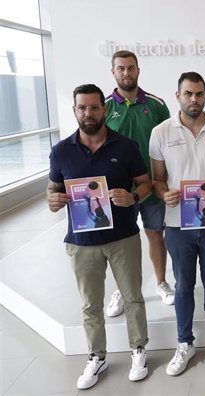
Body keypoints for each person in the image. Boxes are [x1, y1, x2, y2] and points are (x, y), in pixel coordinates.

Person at [47, 84, 150, 390]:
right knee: (91, 305)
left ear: (105, 109)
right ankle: (97, 355)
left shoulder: (126, 146)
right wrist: (52, 201)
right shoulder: (61, 151)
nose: (88, 113)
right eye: (82, 108)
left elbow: (144, 184)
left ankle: (138, 349)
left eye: (94, 107)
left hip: (123, 237)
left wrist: (132, 197)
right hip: (81, 242)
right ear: (75, 110)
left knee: (132, 297)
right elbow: (53, 189)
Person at [149, 72, 205, 376]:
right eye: (188, 94)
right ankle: (184, 343)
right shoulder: (161, 133)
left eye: (199, 94)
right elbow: (158, 180)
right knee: (184, 285)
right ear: (178, 96)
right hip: (177, 226)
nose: (194, 100)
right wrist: (165, 194)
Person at [105, 50, 173, 317]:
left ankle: (161, 283)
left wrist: (165, 181)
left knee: (155, 233)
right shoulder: (105, 107)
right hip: (119, 190)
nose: (126, 73)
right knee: (122, 241)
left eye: (131, 68)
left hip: (153, 185)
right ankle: (122, 289)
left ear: (138, 70)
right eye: (121, 68)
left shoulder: (156, 105)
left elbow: (170, 145)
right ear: (113, 72)